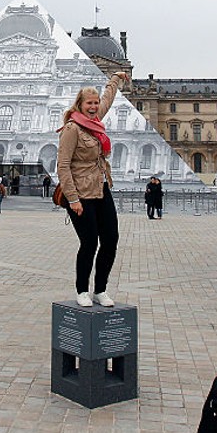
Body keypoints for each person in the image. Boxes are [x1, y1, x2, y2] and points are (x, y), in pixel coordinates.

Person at [57, 71, 127, 308]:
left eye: (96, 103)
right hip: (80, 193)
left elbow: (108, 97)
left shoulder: (95, 122)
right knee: (89, 242)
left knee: (111, 239)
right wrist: (73, 199)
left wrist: (116, 79)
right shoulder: (72, 129)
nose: (95, 106)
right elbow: (63, 166)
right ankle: (82, 290)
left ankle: (100, 289)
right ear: (80, 104)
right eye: (90, 103)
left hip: (101, 187)